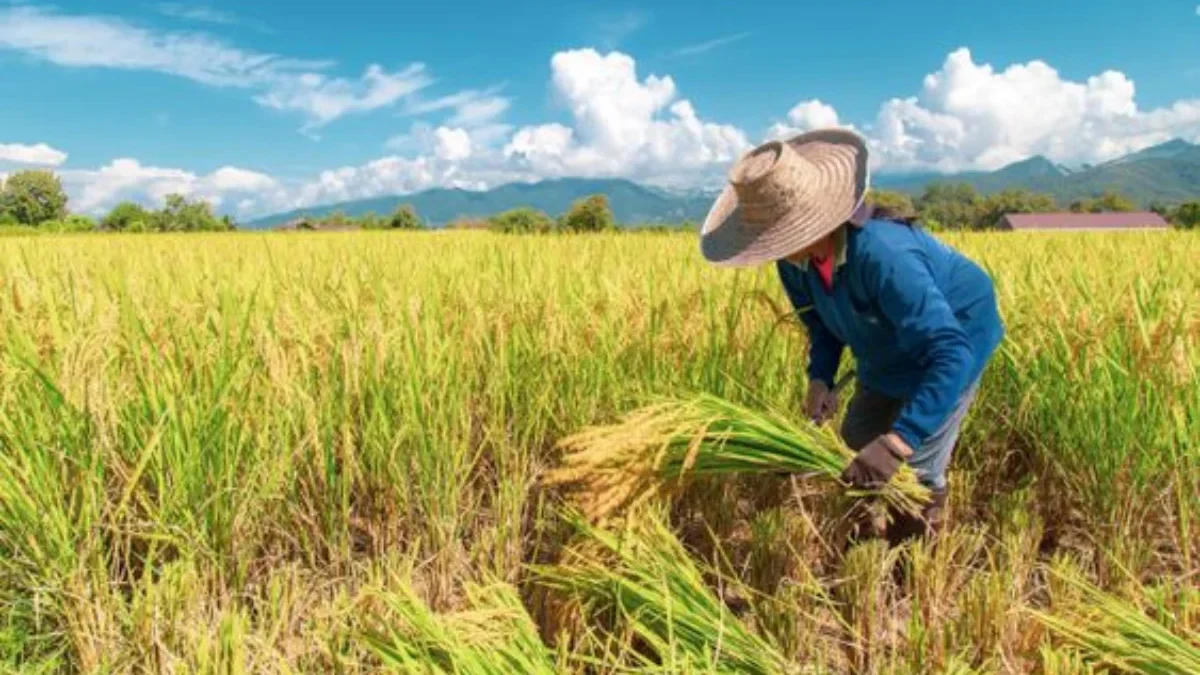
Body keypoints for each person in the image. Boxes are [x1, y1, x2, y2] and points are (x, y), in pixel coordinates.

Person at [698, 129, 1005, 546]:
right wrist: (819, 378)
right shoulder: (794, 261)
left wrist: (899, 442)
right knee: (856, 443)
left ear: (811, 221)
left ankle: (910, 566)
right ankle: (861, 544)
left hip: (957, 335)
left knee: (913, 469)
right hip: (885, 340)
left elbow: (950, 354)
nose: (773, 249)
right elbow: (821, 324)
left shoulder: (884, 256)